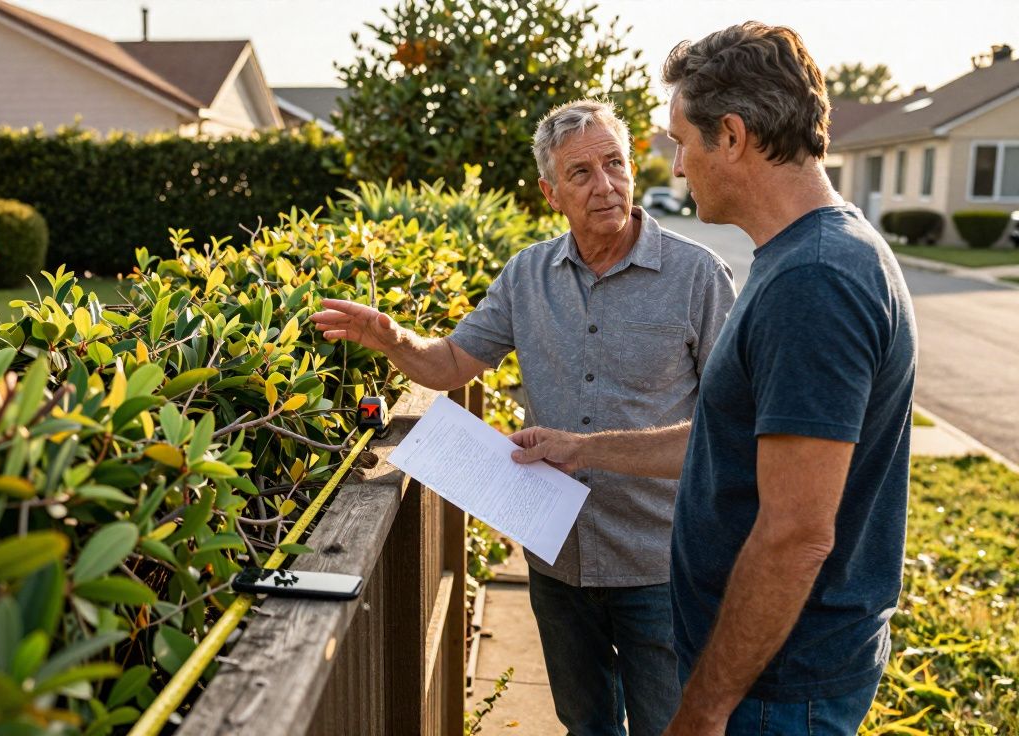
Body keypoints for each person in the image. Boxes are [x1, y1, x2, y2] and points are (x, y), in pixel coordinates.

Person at [510, 23, 917, 736]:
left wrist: (702, 708)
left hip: (776, 690)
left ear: (730, 136)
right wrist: (586, 449)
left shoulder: (815, 280)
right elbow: (728, 442)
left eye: (679, 141)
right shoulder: (809, 256)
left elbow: (796, 534)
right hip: (772, 678)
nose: (673, 168)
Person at [311, 99, 735, 736]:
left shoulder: (698, 276)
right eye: (581, 174)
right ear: (550, 192)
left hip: (662, 568)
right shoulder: (527, 275)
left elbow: (728, 429)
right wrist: (394, 339)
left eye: (614, 164)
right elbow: (452, 362)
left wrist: (589, 448)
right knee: (584, 726)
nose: (605, 185)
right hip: (557, 560)